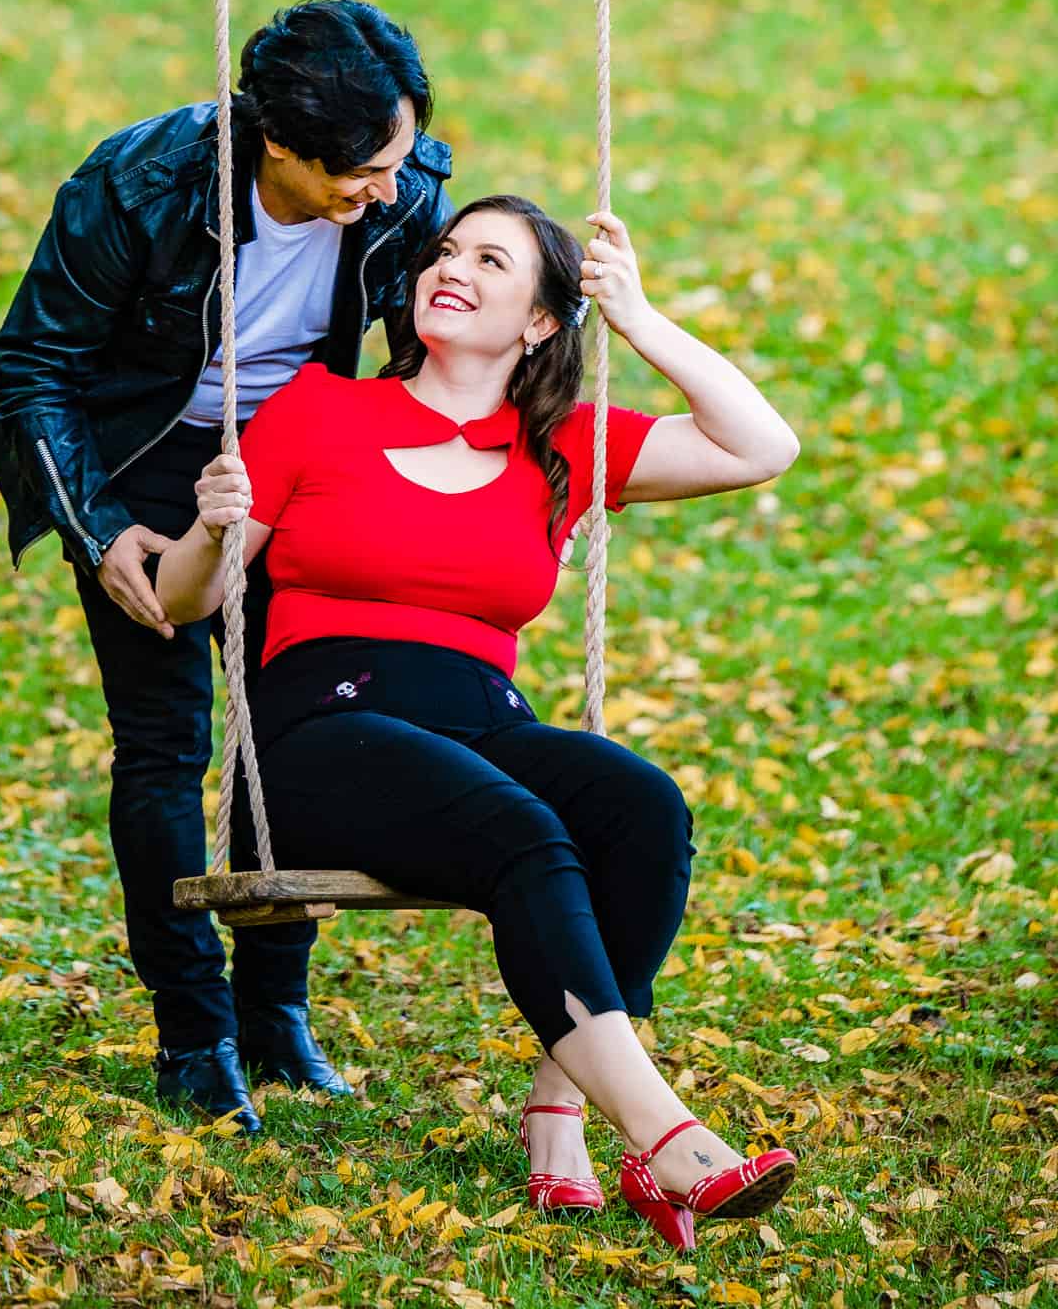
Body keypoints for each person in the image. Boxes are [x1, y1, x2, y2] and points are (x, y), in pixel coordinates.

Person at [157, 196, 801, 1244]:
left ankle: (559, 1112)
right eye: (447, 250)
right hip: (319, 734)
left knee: (639, 805)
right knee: (521, 829)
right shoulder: (322, 410)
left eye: (490, 260)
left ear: (542, 318)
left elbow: (761, 444)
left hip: (484, 726)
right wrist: (209, 522)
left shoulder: (558, 445)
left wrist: (636, 316)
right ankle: (672, 1139)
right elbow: (190, 596)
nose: (450, 267)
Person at [0, 0, 453, 1131]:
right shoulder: (137, 183)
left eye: (398, 156)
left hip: (293, 447)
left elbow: (447, 341)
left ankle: (275, 1007)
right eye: (360, 170)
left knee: (289, 724)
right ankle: (192, 1028)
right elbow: (29, 366)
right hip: (137, 451)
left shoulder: (399, 189)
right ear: (278, 142)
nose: (389, 188)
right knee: (166, 737)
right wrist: (100, 531)